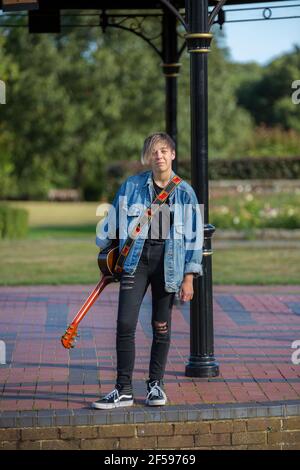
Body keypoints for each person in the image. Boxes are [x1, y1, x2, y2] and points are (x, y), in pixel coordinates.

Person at [93, 132, 203, 409]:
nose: (159, 156)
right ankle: (123, 389)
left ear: (173, 155)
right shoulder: (132, 186)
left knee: (160, 326)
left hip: (169, 264)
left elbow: (194, 237)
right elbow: (112, 223)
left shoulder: (185, 191)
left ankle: (156, 385)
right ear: (148, 157)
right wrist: (107, 255)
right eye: (154, 152)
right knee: (125, 324)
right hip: (136, 262)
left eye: (164, 151)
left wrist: (189, 277)